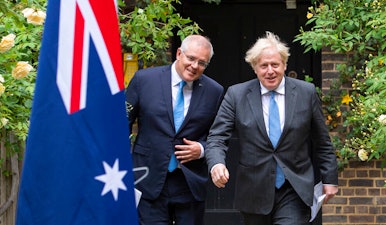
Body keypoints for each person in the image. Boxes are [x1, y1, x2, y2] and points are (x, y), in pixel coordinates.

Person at [205, 31, 338, 225]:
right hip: (253, 189)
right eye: (263, 66)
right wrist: (217, 163)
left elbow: (322, 141)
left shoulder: (305, 93)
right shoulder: (237, 94)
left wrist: (330, 179)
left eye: (275, 65)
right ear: (255, 68)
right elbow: (217, 137)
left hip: (294, 187)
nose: (270, 71)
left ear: (284, 65)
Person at [125, 34, 224, 225]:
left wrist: (201, 149)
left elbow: (218, 135)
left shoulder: (214, 91)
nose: (195, 66)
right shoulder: (144, 80)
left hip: (189, 182)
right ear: (179, 53)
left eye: (202, 63)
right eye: (191, 58)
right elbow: (122, 124)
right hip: (148, 177)